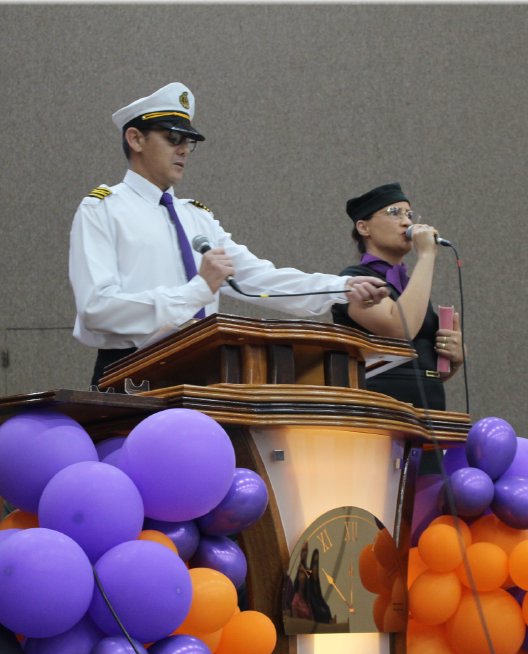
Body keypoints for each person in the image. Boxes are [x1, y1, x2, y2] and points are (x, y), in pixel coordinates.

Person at [69, 82, 388, 387]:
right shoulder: (103, 209)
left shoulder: (197, 218)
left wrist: (341, 287)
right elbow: (97, 308)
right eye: (173, 138)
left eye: (188, 142)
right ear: (136, 139)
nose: (184, 150)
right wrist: (197, 291)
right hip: (131, 371)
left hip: (205, 370)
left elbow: (257, 280)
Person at [330, 183, 463, 450]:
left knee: (430, 477)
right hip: (382, 410)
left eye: (409, 215)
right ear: (364, 227)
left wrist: (454, 358)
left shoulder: (410, 285)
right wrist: (426, 256)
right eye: (394, 213)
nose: (406, 222)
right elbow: (400, 331)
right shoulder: (353, 281)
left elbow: (419, 363)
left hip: (430, 409)